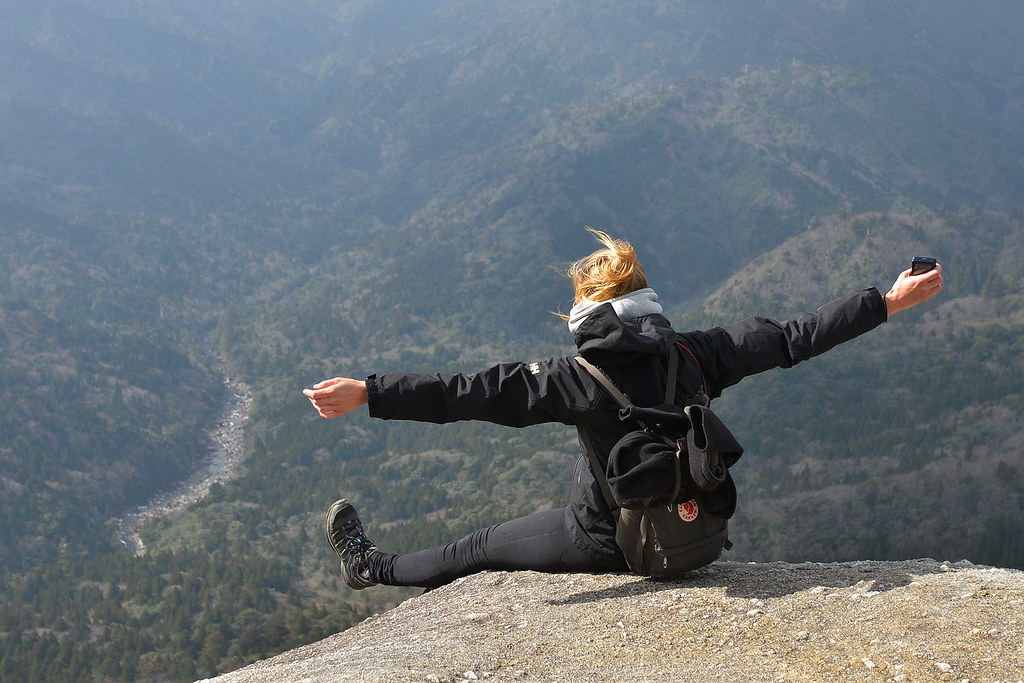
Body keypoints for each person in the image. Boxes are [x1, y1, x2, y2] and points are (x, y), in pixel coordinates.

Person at [303, 230, 943, 589]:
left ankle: (369, 566)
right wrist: (886, 302)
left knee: (476, 548)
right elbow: (792, 338)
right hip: (699, 529)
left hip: (611, 542)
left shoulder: (575, 379)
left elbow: (464, 393)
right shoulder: (695, 353)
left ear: (586, 312)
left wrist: (370, 391)